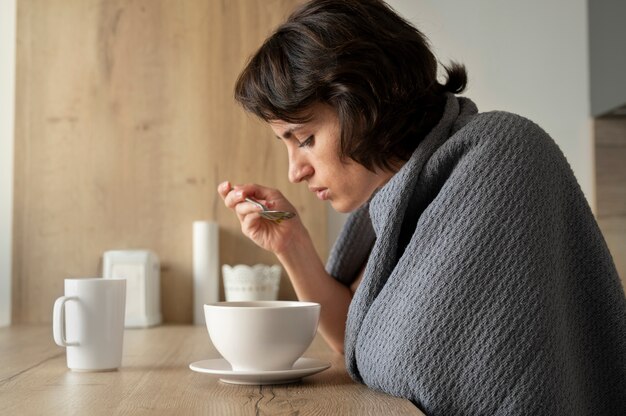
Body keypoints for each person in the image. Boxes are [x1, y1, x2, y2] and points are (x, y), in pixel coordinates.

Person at [217, 0, 626, 414]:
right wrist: (291, 242)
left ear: (364, 103)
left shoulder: (499, 154)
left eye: (304, 139)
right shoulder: (391, 200)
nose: (295, 172)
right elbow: (357, 340)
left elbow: (406, 361)